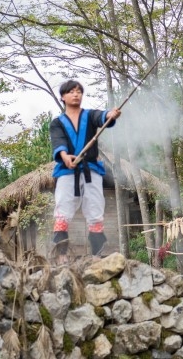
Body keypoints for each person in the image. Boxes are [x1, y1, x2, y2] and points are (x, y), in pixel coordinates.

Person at [49, 80, 121, 259]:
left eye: (79, 91)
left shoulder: (89, 116)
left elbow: (102, 117)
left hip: (91, 170)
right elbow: (59, 142)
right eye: (71, 92)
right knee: (63, 209)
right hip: (67, 172)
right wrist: (65, 156)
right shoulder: (57, 123)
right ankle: (61, 255)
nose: (76, 94)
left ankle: (97, 254)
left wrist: (111, 114)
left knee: (95, 209)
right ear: (63, 97)